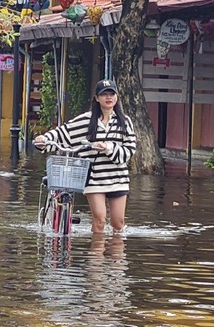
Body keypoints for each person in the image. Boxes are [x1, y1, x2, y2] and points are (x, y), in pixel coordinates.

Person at [34, 79, 137, 234]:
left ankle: (117, 256)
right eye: (104, 95)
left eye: (112, 94)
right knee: (100, 220)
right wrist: (44, 139)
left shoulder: (124, 121)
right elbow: (63, 133)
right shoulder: (86, 120)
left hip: (118, 178)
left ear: (117, 97)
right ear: (97, 98)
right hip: (94, 178)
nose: (108, 98)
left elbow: (129, 150)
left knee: (118, 223)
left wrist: (109, 148)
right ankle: (96, 257)